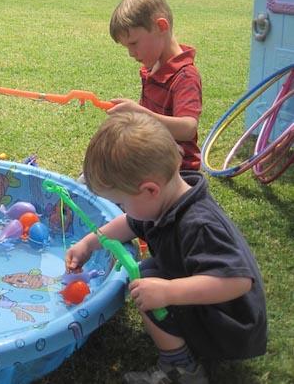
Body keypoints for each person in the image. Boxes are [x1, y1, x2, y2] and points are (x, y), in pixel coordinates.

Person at [67, 112, 267, 384]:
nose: (124, 210)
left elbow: (238, 281)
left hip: (229, 325)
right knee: (148, 272)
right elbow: (130, 222)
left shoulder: (199, 225)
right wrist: (89, 243)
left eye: (123, 202)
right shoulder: (164, 203)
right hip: (211, 304)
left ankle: (182, 369)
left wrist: (169, 292)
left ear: (150, 190)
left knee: (145, 283)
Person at [107, 0, 202, 171]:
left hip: (176, 171)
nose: (131, 54)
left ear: (161, 26)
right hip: (152, 159)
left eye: (134, 43)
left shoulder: (185, 76)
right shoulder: (152, 68)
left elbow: (188, 128)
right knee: (99, 168)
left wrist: (141, 114)